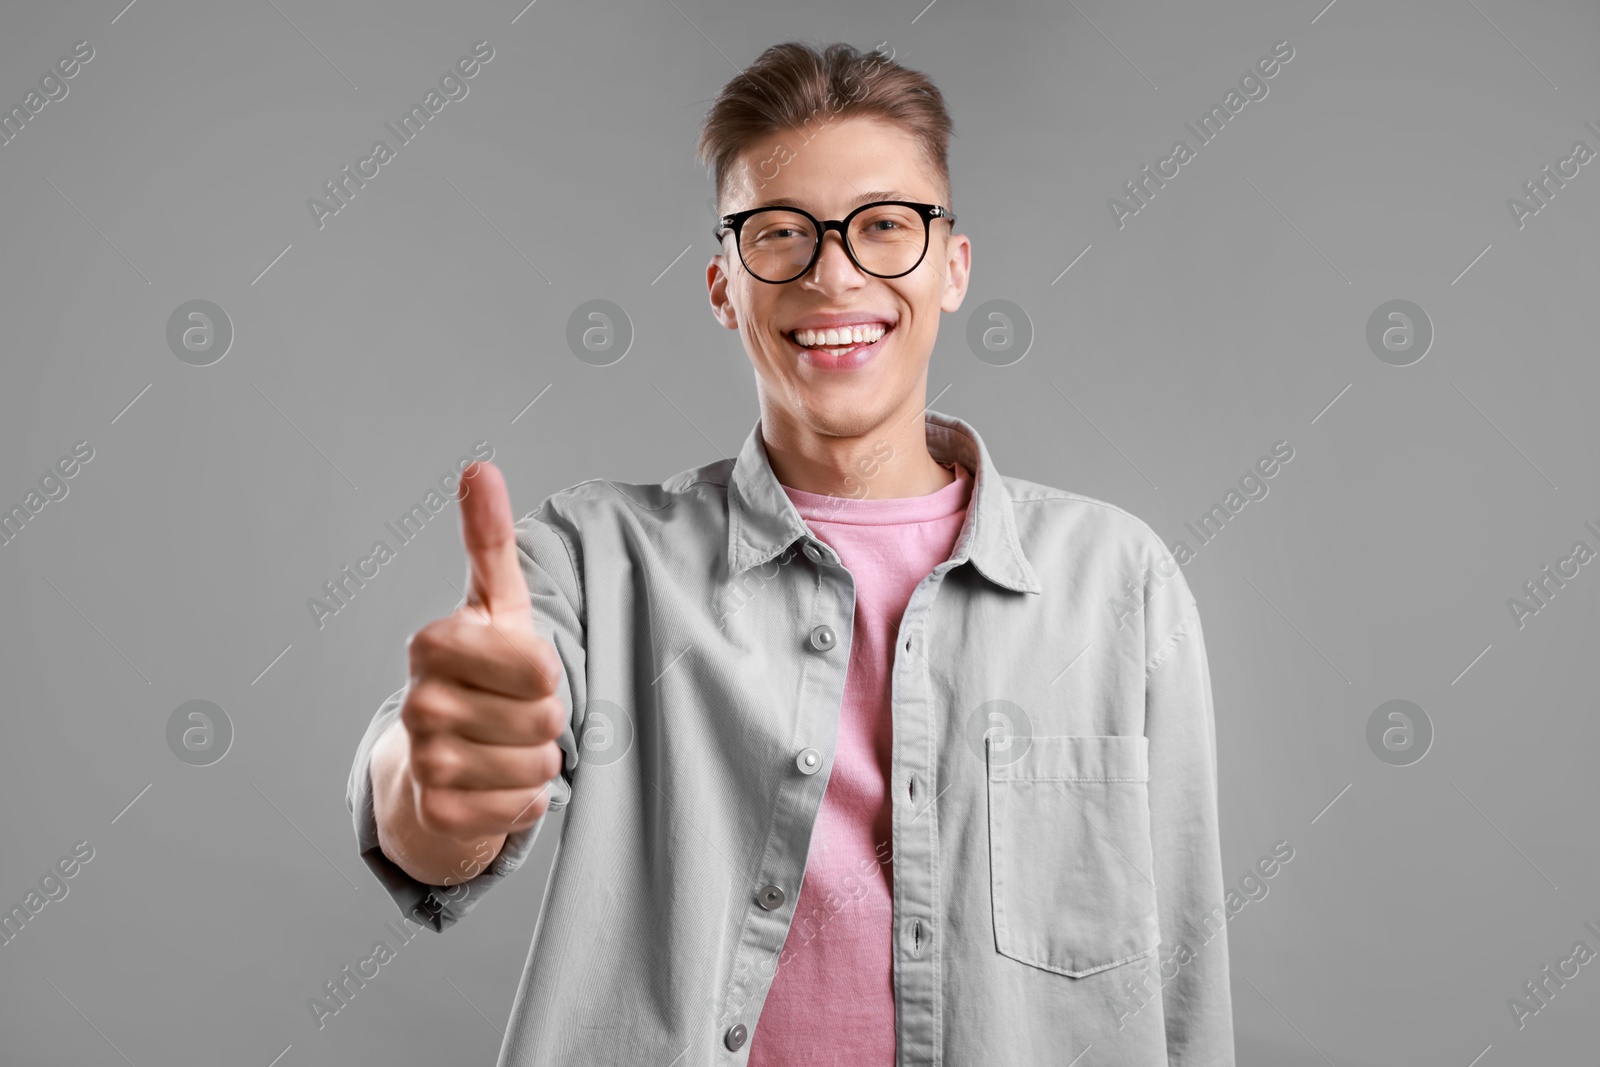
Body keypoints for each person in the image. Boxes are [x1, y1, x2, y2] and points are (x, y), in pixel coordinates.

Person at [346, 40, 1235, 1066]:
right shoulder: (596, 559)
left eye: (884, 226)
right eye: (780, 234)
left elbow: (1181, 976)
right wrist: (443, 777)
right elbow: (431, 810)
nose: (833, 273)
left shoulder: (1117, 581)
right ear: (724, 284)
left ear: (952, 267)